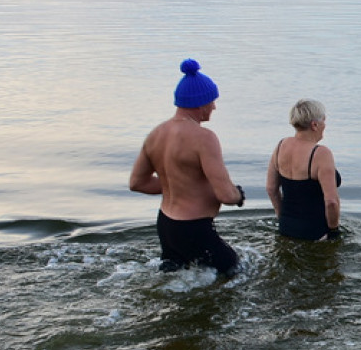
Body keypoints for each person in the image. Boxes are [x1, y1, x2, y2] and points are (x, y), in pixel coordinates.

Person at [129, 58, 246, 276]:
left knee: (175, 278)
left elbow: (137, 183)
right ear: (201, 104)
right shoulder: (204, 138)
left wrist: (176, 184)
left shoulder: (156, 134)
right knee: (236, 272)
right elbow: (226, 195)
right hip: (194, 228)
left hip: (165, 225)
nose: (214, 106)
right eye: (212, 101)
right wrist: (238, 195)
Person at [266, 99, 341, 241]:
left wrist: (283, 218)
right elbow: (331, 201)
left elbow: (271, 189)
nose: (325, 125)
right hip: (316, 232)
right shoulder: (321, 153)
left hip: (285, 228)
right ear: (314, 125)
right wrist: (334, 231)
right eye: (324, 121)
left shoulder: (281, 145)